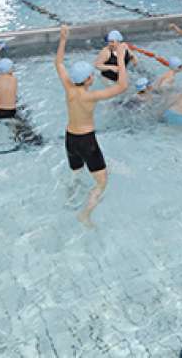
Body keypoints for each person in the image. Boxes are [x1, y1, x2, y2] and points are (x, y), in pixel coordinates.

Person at [55, 24, 128, 227]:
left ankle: (71, 196)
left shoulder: (69, 88)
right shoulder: (91, 96)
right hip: (87, 141)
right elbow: (122, 86)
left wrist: (63, 39)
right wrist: (121, 58)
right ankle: (85, 214)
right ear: (87, 80)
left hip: (70, 138)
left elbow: (58, 62)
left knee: (76, 172)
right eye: (91, 76)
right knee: (102, 182)